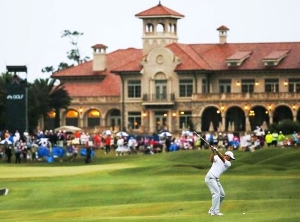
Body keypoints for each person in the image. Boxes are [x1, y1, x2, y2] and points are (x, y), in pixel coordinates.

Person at [205, 145, 235, 216]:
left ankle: (212, 209)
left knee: (222, 195)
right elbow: (211, 160)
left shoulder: (228, 163)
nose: (231, 160)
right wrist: (213, 152)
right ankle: (215, 212)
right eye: (230, 158)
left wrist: (217, 151)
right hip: (210, 177)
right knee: (216, 193)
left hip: (215, 179)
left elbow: (222, 158)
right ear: (227, 156)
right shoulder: (217, 157)